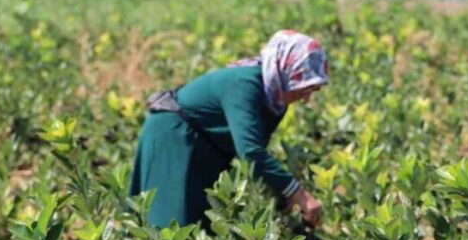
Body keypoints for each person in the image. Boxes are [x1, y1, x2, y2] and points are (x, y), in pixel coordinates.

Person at [130, 30, 327, 229]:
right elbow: (250, 152)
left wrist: (284, 197)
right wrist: (299, 194)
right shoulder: (245, 85)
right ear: (285, 69)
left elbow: (256, 160)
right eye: (303, 85)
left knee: (202, 227)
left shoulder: (275, 101)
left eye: (313, 88)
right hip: (174, 137)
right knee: (170, 225)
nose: (306, 98)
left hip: (205, 148)